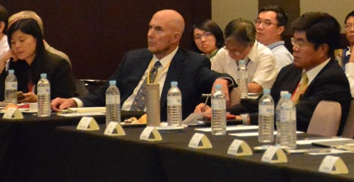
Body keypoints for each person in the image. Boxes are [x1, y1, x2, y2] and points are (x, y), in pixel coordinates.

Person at [51, 10, 232, 115]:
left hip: (157, 132)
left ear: (175, 37)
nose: (150, 34)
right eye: (150, 27)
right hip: (121, 124)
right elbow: (105, 94)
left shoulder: (192, 63)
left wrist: (222, 80)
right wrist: (74, 102)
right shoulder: (133, 58)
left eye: (158, 30)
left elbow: (216, 78)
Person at [227, 12, 353, 132]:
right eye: (294, 41)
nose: (294, 48)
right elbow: (264, 103)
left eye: (301, 43)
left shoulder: (333, 79)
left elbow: (297, 114)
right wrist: (226, 112)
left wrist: (245, 119)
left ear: (322, 49)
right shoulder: (290, 71)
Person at [0, 18, 77, 102]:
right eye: (13, 42)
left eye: (22, 40)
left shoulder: (58, 64)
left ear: (36, 39)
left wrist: (39, 100)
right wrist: (2, 62)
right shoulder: (16, 64)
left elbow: (65, 101)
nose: (17, 46)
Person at [209, 19, 278, 93]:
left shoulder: (265, 56)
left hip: (255, 103)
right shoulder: (223, 52)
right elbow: (213, 81)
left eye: (236, 51)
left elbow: (256, 88)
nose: (231, 54)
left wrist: (228, 84)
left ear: (251, 44)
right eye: (228, 49)